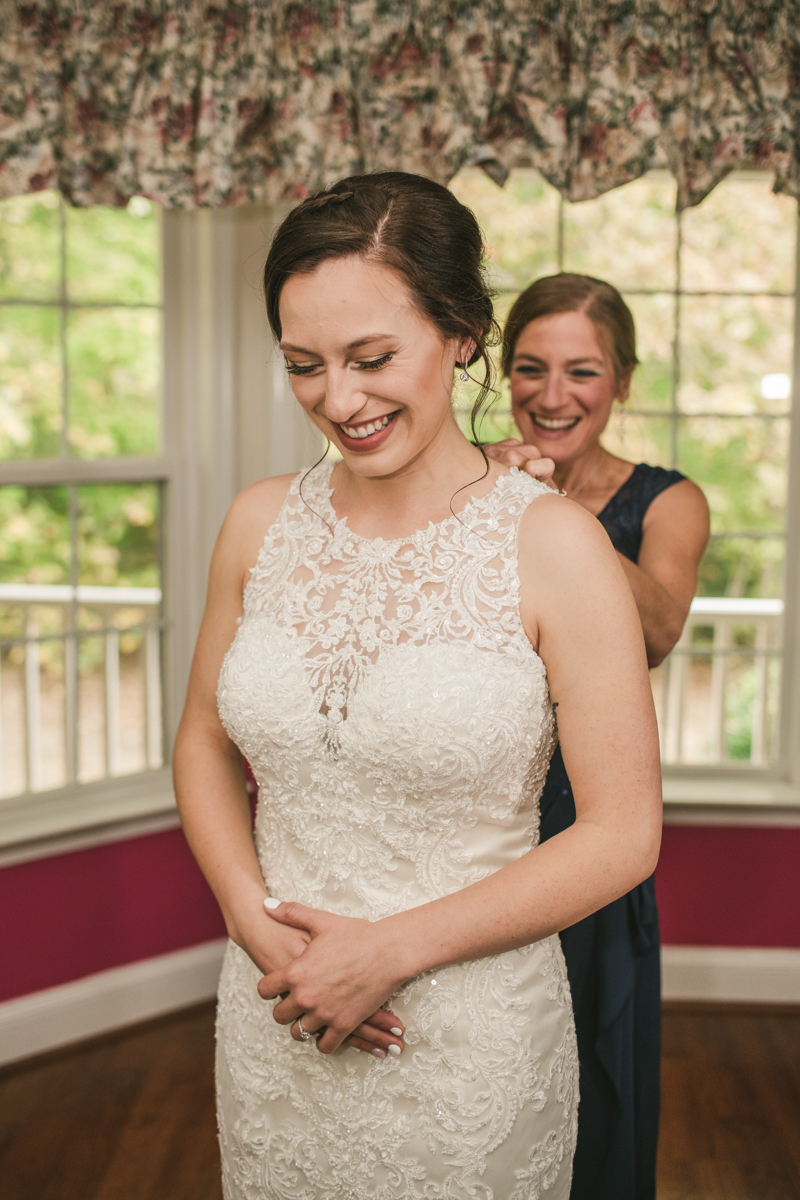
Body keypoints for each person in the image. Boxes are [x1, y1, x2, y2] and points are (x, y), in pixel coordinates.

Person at [173, 177, 662, 1200]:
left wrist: (389, 951)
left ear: (462, 334)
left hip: (461, 1042)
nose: (337, 401)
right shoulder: (258, 523)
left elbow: (620, 835)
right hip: (275, 1007)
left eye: (370, 358)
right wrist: (246, 915)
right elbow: (204, 737)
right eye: (303, 365)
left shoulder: (553, 547)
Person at [485, 273, 710, 1200]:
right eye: (530, 369)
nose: (552, 395)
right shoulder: (469, 476)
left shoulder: (667, 501)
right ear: (503, 374)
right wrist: (484, 487)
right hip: (477, 810)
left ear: (620, 379)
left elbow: (656, 631)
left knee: (589, 1067)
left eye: (582, 371)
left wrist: (554, 517)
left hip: (588, 822)